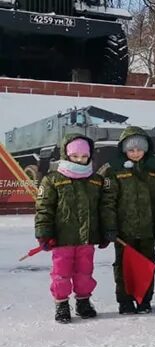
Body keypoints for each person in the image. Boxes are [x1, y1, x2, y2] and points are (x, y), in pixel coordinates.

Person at [34, 135, 110, 323]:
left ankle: (83, 301)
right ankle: (61, 304)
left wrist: (105, 230)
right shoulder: (53, 180)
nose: (79, 159)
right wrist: (44, 233)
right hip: (62, 238)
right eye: (75, 156)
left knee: (85, 271)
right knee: (61, 273)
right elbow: (44, 208)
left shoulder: (95, 181)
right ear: (66, 155)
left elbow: (103, 208)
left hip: (87, 238)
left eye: (84, 156)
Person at [99, 127, 155, 314]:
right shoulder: (114, 170)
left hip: (147, 230)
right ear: (123, 150)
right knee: (123, 267)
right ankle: (125, 301)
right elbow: (107, 201)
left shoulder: (154, 170)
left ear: (146, 149)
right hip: (123, 232)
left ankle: (144, 300)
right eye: (131, 150)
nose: (135, 153)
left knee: (146, 266)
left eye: (139, 149)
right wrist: (110, 227)